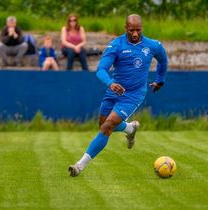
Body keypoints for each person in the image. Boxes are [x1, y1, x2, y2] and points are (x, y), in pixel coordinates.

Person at [68, 14, 168, 177]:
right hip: (113, 91)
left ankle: (79, 166)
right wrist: (110, 83)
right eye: (131, 30)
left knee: (108, 126)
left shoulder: (153, 45)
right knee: (102, 125)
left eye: (138, 30)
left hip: (134, 95)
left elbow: (163, 61)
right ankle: (130, 128)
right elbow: (101, 70)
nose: (135, 34)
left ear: (142, 28)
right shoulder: (116, 45)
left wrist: (159, 80)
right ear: (125, 28)